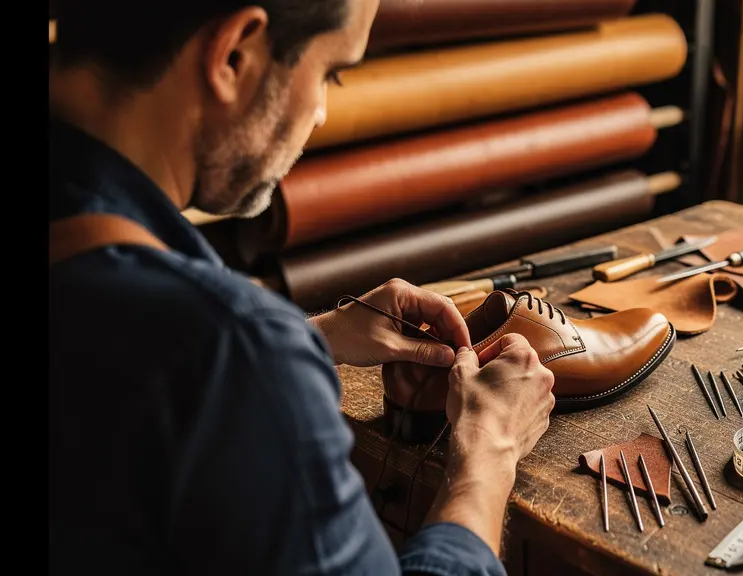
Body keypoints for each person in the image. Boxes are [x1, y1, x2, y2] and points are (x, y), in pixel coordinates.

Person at [48, 1, 556, 574]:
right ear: (235, 54)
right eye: (330, 72)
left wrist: (310, 337)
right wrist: (489, 452)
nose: (318, 114)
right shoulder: (229, 351)